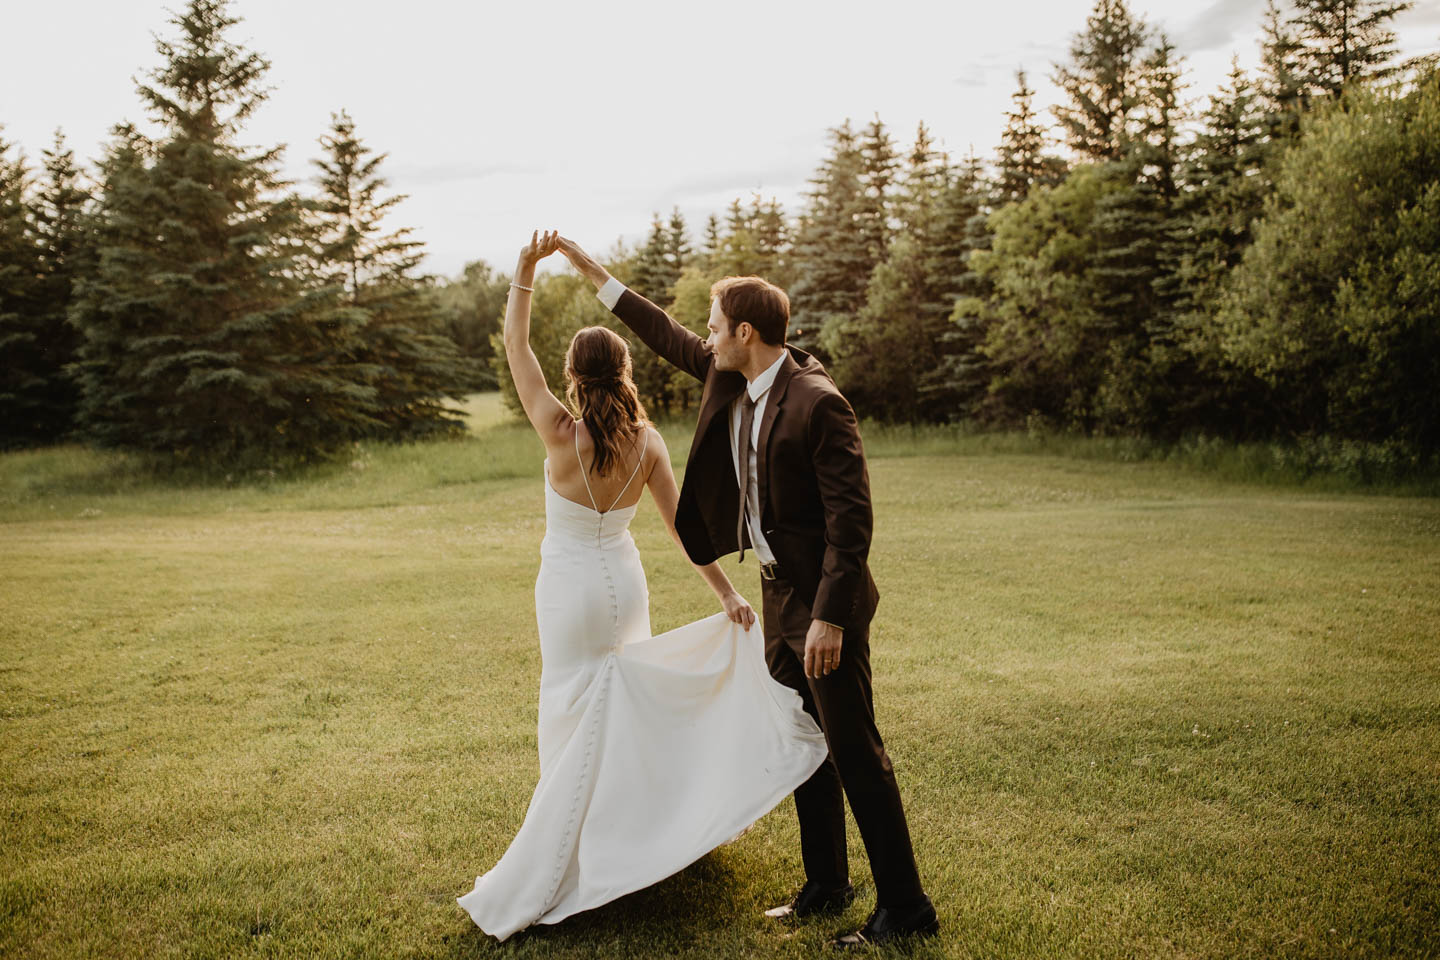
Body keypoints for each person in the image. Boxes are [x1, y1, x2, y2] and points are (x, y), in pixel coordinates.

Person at [555, 235, 939, 949]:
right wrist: (594, 274)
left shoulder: (818, 403)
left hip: (822, 605)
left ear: (745, 333)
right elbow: (663, 332)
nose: (703, 336)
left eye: (713, 325)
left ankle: (907, 907)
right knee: (800, 738)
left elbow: (852, 524)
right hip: (775, 595)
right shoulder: (730, 375)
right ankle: (827, 885)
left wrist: (830, 618)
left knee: (854, 749)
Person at [455, 231, 829, 942]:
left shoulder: (560, 433)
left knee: (570, 712)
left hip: (569, 591)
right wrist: (724, 593)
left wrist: (525, 272)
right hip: (624, 587)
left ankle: (571, 850)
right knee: (624, 710)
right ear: (624, 372)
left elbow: (514, 347)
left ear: (573, 376)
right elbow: (687, 531)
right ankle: (637, 837)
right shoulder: (648, 443)